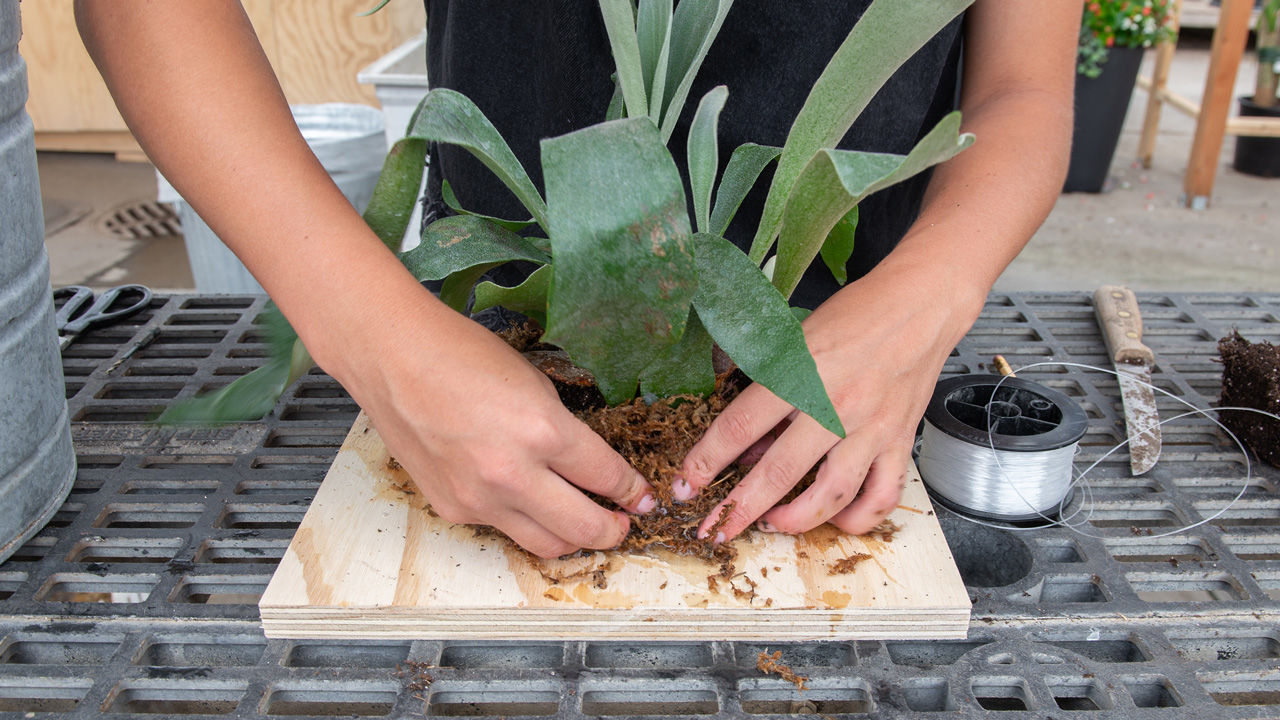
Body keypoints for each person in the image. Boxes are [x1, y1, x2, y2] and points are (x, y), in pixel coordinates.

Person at [76, 1, 1078, 558]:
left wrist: (926, 298)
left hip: (843, 380)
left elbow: (1022, 80)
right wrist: (376, 339)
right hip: (498, 370)